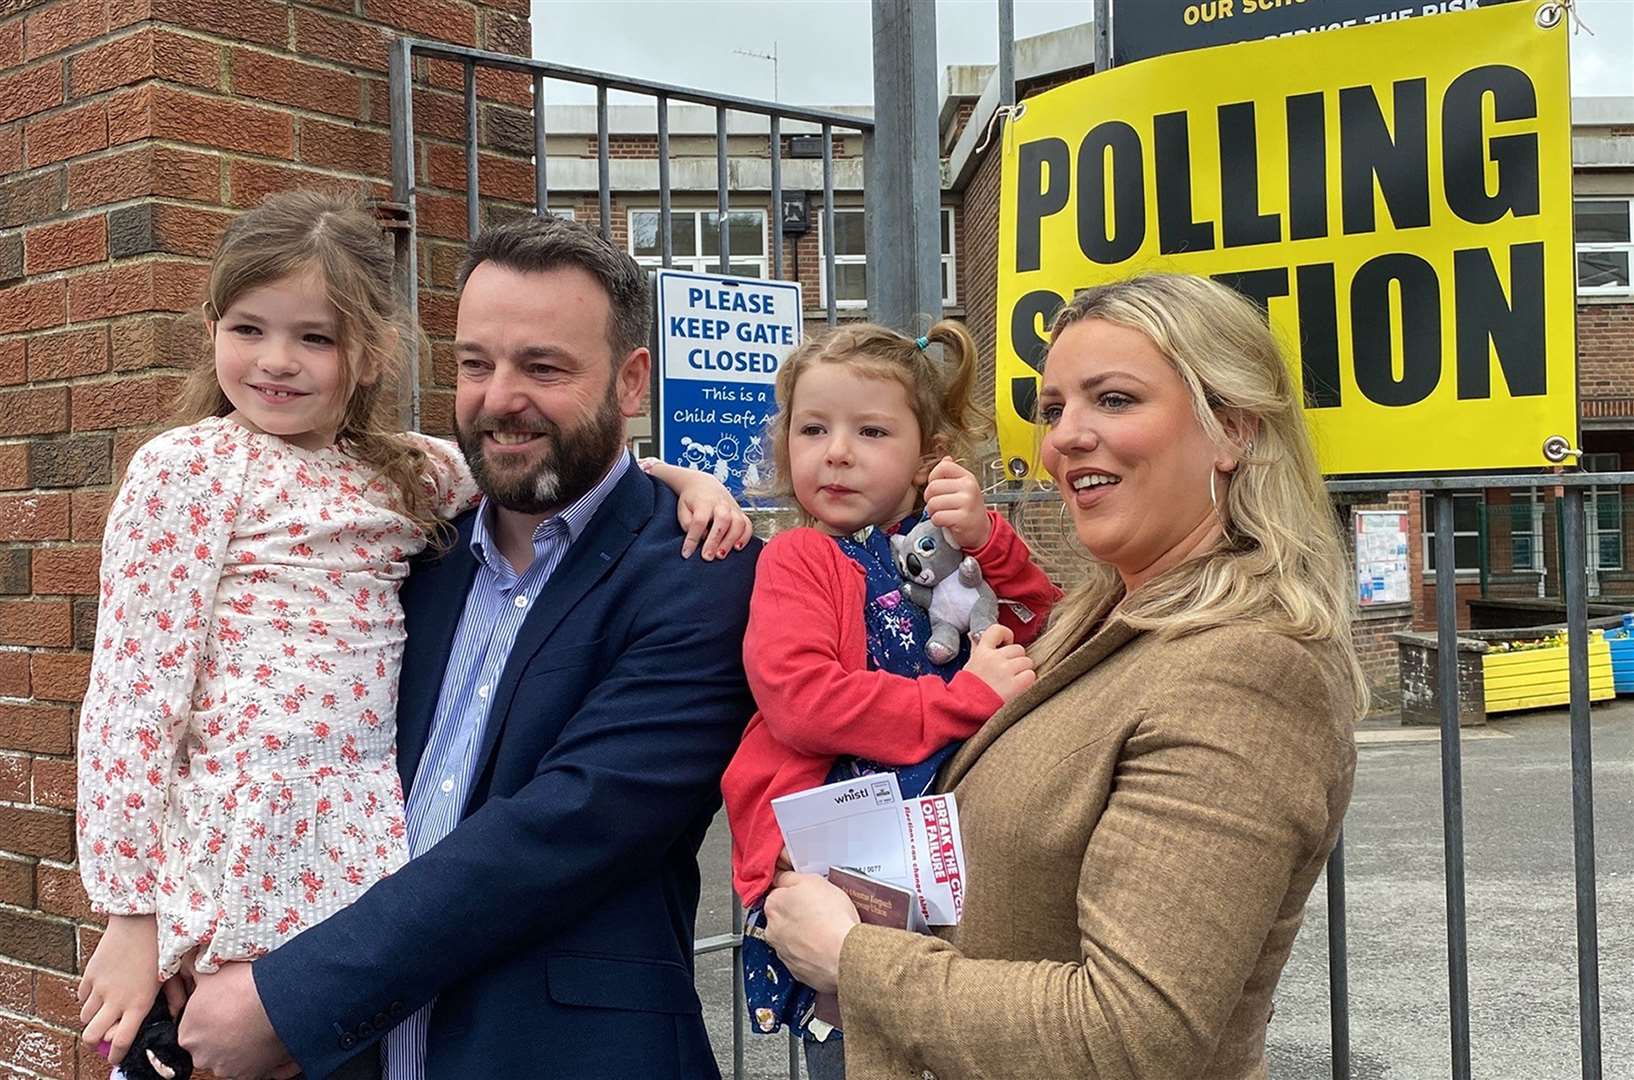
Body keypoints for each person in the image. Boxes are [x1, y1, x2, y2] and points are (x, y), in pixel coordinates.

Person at [73, 194, 752, 1079]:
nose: (501, 399)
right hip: (289, 982)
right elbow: (134, 697)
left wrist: (673, 480)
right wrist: (138, 914)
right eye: (477, 362)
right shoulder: (418, 536)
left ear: (631, 382)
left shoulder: (698, 570)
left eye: (542, 367)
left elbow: (564, 831)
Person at [762, 273, 1365, 1080]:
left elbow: (1128, 1034)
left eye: (1113, 400)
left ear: (1232, 431)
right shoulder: (1107, 619)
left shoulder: (1246, 669)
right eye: (1053, 410)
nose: (1066, 438)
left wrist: (851, 959)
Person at [723, 320, 1059, 1078]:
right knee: (861, 1041)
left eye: (870, 430)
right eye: (813, 429)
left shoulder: (944, 558)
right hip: (844, 866)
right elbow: (803, 702)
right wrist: (962, 699)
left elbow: (1047, 630)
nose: (836, 451)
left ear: (927, 461)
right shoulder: (798, 558)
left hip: (953, 854)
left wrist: (988, 542)